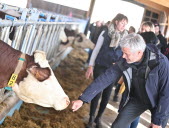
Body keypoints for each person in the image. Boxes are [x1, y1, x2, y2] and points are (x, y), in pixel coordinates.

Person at [72, 33, 169, 128]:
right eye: (123, 52)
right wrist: (83, 99)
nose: (123, 56)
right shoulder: (125, 60)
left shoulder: (160, 63)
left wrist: (158, 121)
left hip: (159, 103)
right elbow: (106, 78)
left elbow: (166, 93)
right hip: (138, 99)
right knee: (118, 125)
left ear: (139, 52)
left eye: (126, 53)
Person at [85, 13, 128, 128]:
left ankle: (99, 118)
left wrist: (120, 65)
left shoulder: (125, 37)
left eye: (125, 23)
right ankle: (91, 117)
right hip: (101, 66)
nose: (124, 25)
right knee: (96, 92)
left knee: (107, 94)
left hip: (114, 70)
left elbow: (125, 54)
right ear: (116, 22)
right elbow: (96, 50)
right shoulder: (105, 32)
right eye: (122, 22)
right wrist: (90, 65)